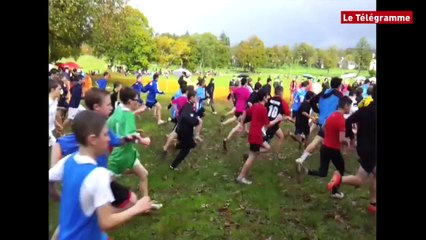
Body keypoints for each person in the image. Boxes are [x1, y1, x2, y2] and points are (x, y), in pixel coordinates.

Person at [49, 111, 154, 240]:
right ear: (93, 140)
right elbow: (106, 221)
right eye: (105, 134)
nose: (109, 139)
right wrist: (137, 208)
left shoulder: (68, 161)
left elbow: (50, 178)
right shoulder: (98, 175)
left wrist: (55, 195)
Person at [328, 87, 376, 213]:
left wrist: (352, 136)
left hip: (363, 148)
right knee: (360, 179)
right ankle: (339, 179)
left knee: (373, 175)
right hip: (373, 150)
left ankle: (373, 204)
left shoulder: (364, 110)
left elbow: (348, 121)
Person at [304, 96, 353, 199]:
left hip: (325, 147)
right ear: (345, 106)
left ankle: (307, 171)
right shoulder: (341, 120)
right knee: (340, 169)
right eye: (350, 106)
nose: (350, 109)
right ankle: (335, 192)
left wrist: (330, 135)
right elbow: (341, 139)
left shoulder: (332, 115)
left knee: (323, 172)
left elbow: (324, 127)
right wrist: (347, 141)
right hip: (333, 149)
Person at [108, 87, 152, 198]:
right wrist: (144, 140)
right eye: (137, 100)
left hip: (125, 154)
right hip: (119, 157)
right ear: (129, 101)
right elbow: (130, 137)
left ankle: (145, 203)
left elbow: (118, 130)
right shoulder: (128, 116)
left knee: (143, 174)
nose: (138, 102)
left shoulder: (118, 109)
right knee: (107, 187)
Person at [236, 89, 283, 185]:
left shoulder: (255, 106)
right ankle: (241, 177)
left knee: (267, 147)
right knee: (252, 156)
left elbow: (245, 112)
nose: (269, 97)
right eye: (267, 96)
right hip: (257, 135)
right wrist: (277, 119)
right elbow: (268, 124)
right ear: (264, 97)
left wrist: (241, 124)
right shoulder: (263, 109)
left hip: (254, 133)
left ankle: (246, 160)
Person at [295, 77, 343, 170]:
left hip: (322, 121)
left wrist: (318, 110)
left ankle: (301, 159)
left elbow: (313, 101)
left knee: (318, 141)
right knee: (334, 143)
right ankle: (332, 163)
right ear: (339, 85)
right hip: (332, 122)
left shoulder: (323, 93)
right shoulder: (339, 95)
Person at [170, 90, 202, 170]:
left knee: (189, 145)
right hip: (184, 132)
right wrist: (197, 120)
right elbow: (191, 120)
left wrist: (196, 116)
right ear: (191, 98)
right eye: (195, 97)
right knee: (188, 147)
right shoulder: (188, 107)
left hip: (183, 130)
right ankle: (173, 166)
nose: (197, 98)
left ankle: (175, 146)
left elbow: (185, 115)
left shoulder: (188, 106)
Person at [263, 85, 292, 159]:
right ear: (281, 92)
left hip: (268, 122)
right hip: (272, 124)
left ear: (274, 92)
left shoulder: (269, 99)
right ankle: (251, 154)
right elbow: (288, 113)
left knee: (281, 136)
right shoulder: (283, 102)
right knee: (263, 142)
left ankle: (277, 154)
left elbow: (264, 108)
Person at [49, 79, 62, 147]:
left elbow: (51, 115)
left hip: (52, 129)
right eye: (59, 89)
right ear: (52, 90)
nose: (60, 91)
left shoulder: (55, 101)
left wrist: (56, 124)